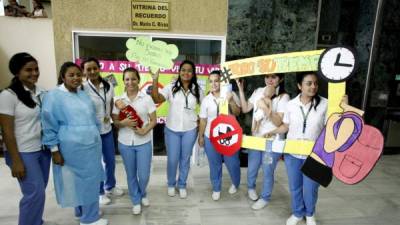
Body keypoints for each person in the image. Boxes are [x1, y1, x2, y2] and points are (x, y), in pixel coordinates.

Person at [41, 62, 107, 225]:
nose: (76, 78)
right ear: (63, 77)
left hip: (90, 143)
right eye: (71, 75)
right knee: (80, 179)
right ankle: (90, 219)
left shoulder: (82, 93)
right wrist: (54, 150)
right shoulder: (53, 96)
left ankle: (81, 211)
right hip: (71, 144)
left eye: (78, 74)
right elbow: (49, 125)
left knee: (88, 178)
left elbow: (90, 117)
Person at [268, 72, 328, 225]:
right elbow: (286, 126)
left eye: (315, 83)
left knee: (310, 188)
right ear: (299, 86)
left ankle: (310, 214)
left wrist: (343, 107)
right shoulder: (291, 105)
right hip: (292, 153)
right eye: (308, 83)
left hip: (314, 155)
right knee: (295, 186)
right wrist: (271, 132)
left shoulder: (325, 104)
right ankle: (297, 213)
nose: (313, 86)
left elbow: (333, 127)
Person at [0, 52, 51, 225]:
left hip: (43, 149)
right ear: (16, 72)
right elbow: (7, 131)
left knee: (39, 190)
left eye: (36, 69)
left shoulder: (41, 91)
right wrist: (16, 160)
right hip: (23, 151)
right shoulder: (8, 95)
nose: (34, 73)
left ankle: (36, 221)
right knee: (34, 192)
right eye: (28, 70)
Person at [151, 60, 204, 198]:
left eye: (189, 71)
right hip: (172, 129)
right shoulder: (171, 87)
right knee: (173, 159)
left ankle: (182, 185)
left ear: (193, 74)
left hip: (190, 129)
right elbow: (156, 98)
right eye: (183, 70)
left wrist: (200, 122)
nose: (186, 73)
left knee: (185, 159)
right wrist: (155, 79)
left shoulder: (198, 89)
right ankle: (170, 184)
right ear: (179, 72)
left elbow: (205, 108)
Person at [236, 73, 290, 209]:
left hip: (272, 140)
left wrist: (265, 107)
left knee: (267, 170)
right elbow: (245, 108)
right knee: (252, 167)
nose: (270, 80)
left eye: (274, 77)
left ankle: (265, 197)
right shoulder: (259, 91)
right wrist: (241, 90)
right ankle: (250, 188)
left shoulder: (284, 97)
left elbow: (279, 122)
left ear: (281, 79)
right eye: (267, 77)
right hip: (256, 138)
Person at [111, 67, 157, 215]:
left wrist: (145, 130)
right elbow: (115, 122)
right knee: (130, 174)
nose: (130, 82)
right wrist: (123, 123)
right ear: (123, 81)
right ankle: (136, 199)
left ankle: (142, 192)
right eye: (127, 79)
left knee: (144, 175)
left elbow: (154, 120)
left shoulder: (147, 98)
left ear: (138, 80)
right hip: (125, 143)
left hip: (143, 142)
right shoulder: (119, 101)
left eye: (133, 79)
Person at [81, 57, 124, 206]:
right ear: (84, 72)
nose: (92, 71)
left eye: (95, 68)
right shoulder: (82, 88)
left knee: (110, 161)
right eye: (89, 69)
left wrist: (116, 121)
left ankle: (110, 186)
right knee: (96, 164)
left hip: (107, 129)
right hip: (91, 132)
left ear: (99, 68)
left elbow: (111, 104)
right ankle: (99, 192)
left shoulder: (108, 85)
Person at [198, 70, 241, 201]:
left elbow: (237, 112)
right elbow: (203, 120)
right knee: (214, 164)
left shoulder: (230, 94)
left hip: (229, 136)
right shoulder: (206, 99)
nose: (213, 84)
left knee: (232, 163)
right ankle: (216, 187)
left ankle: (235, 182)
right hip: (210, 137)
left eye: (216, 81)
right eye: (211, 81)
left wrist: (231, 100)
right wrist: (200, 136)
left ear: (221, 82)